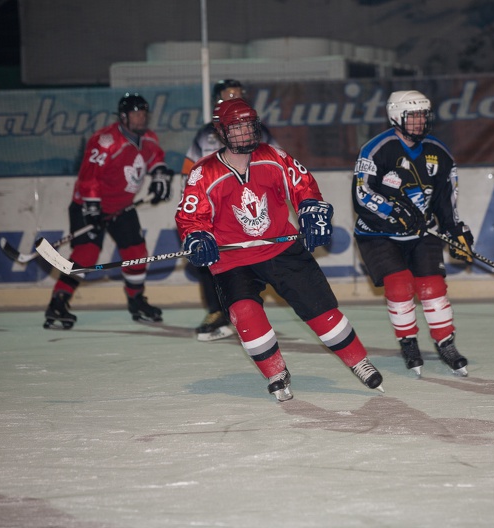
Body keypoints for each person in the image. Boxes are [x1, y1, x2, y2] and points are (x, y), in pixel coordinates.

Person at [175, 98, 384, 402]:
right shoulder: (203, 172)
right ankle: (275, 372)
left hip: (281, 247)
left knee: (321, 311)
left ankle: (358, 361)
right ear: (221, 132)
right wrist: (196, 236)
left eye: (249, 125)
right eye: (236, 127)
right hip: (233, 259)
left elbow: (303, 186)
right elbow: (190, 215)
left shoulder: (274, 156)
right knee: (245, 313)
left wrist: (311, 208)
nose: (245, 133)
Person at [351, 90, 475, 377]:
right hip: (377, 233)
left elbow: (446, 200)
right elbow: (361, 193)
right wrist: (392, 211)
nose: (420, 122)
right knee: (399, 284)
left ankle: (446, 343)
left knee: (432, 286)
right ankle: (408, 343)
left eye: (423, 116)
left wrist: (455, 230)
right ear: (396, 117)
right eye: (413, 116)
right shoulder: (376, 149)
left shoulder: (440, 153)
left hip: (422, 231)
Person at [43, 93, 174, 330]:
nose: (141, 118)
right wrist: (92, 206)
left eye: (143, 113)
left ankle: (136, 301)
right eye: (136, 114)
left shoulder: (150, 138)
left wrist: (160, 175)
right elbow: (89, 175)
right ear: (123, 116)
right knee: (87, 254)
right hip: (88, 205)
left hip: (122, 208)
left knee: (137, 252)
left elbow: (156, 158)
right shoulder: (105, 141)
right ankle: (58, 302)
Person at [180, 79, 278, 341]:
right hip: (213, 209)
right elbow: (189, 172)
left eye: (238, 94)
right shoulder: (205, 133)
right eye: (228, 95)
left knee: (253, 258)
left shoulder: (258, 130)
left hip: (246, 208)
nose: (235, 98)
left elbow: (277, 167)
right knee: (208, 260)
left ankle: (246, 311)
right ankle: (216, 311)